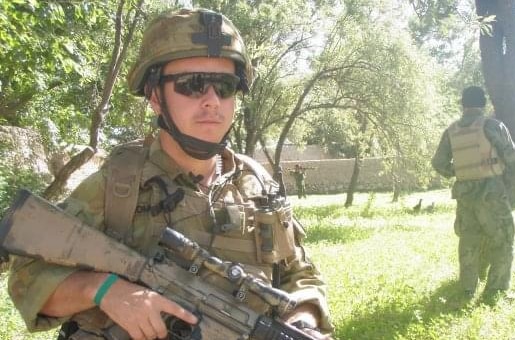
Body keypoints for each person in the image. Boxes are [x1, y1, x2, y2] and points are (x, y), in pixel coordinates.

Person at [8, 8, 333, 340]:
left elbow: (298, 272)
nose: (212, 101)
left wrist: (303, 321)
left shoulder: (255, 184)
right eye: (192, 85)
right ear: (155, 97)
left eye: (225, 86)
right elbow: (27, 277)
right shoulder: (119, 186)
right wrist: (105, 290)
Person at [431, 86, 515, 298]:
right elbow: (513, 156)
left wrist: (460, 170)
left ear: (463, 104)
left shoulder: (451, 130)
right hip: (491, 192)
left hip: (464, 194)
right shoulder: (492, 126)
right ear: (484, 103)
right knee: (503, 239)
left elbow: (438, 163)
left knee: (468, 241)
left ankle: (467, 288)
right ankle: (495, 289)